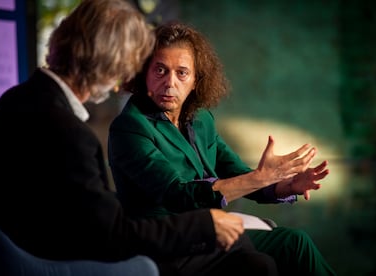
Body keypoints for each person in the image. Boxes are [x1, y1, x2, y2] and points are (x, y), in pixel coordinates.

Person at [0, 1, 279, 276]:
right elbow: (112, 236)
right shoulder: (70, 133)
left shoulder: (17, 98)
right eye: (129, 65)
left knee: (254, 257)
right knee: (253, 262)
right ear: (108, 63)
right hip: (48, 260)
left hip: (20, 249)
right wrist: (204, 224)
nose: (126, 78)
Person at [108, 20, 337, 276]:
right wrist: (259, 178)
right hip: (168, 245)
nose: (170, 83)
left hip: (208, 233)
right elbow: (177, 194)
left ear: (196, 80)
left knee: (296, 244)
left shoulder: (201, 119)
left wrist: (284, 186)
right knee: (260, 266)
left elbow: (237, 173)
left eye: (182, 73)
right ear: (144, 74)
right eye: (160, 70)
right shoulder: (130, 127)